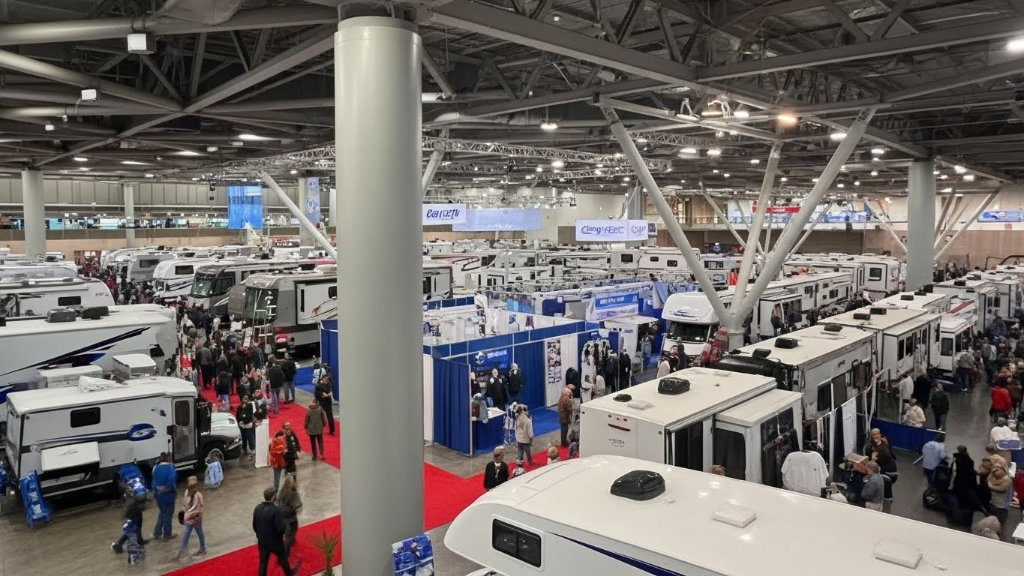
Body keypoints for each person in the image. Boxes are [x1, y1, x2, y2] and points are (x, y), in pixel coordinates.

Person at [253, 486, 297, 576]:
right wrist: (284, 527)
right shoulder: (275, 511)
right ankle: (289, 573)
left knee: (263, 563)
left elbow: (254, 526)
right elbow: (281, 529)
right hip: (275, 543)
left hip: (262, 542)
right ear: (273, 497)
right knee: (283, 559)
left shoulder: (257, 509)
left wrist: (260, 535)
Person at [176, 476, 206, 560]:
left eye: (194, 487)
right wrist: (183, 510)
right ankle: (183, 550)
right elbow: (185, 503)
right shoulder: (187, 492)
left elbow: (198, 509)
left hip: (196, 518)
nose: (192, 489)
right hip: (189, 518)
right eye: (191, 487)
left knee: (199, 532)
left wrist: (186, 515)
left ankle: (202, 548)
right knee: (186, 533)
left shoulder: (198, 496)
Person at [150, 452, 177, 541]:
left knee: (162, 513)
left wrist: (158, 489)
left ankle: (157, 533)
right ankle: (167, 534)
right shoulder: (171, 468)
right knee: (168, 515)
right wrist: (166, 488)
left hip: (158, 496)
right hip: (168, 496)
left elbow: (153, 481)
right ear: (169, 459)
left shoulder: (156, 468)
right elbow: (172, 480)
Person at [276, 475, 302, 559]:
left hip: (282, 515)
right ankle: (285, 552)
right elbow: (297, 504)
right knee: (292, 531)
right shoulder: (293, 492)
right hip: (291, 516)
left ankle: (290, 540)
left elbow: (277, 502)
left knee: (287, 531)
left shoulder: (281, 491)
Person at [987, 463, 1012, 530]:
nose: (995, 473)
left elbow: (1001, 489)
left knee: (999, 526)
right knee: (991, 525)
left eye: (997, 470)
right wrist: (991, 473)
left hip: (1002, 507)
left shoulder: (1007, 479)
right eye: (993, 472)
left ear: (1003, 470)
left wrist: (991, 486)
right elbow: (987, 481)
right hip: (993, 504)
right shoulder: (995, 479)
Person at [236, 394, 257, 459]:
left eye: (246, 399)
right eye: (244, 399)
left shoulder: (250, 406)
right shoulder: (239, 406)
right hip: (242, 425)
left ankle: (252, 450)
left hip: (248, 425)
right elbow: (237, 415)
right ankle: (244, 449)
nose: (245, 400)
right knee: (243, 438)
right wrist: (239, 421)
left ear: (248, 400)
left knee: (250, 438)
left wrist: (245, 408)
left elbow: (250, 415)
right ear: (242, 399)